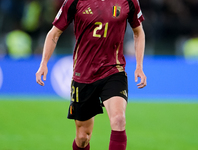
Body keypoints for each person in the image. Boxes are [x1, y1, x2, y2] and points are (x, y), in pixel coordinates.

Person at [36, 0, 147, 149]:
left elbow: (138, 32)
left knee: (119, 119)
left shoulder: (129, 1)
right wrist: (44, 63)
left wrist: (139, 66)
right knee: (83, 137)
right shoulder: (74, 1)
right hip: (83, 74)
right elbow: (54, 34)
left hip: (114, 70)